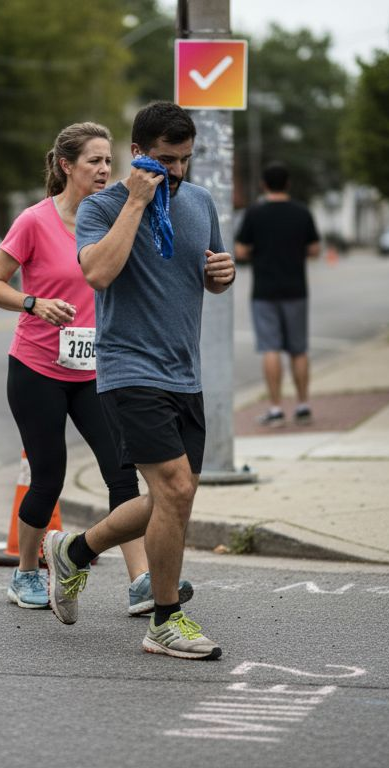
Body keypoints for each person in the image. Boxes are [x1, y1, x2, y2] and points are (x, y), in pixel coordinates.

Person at [40, 101, 235, 660]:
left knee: (174, 495)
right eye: (165, 160)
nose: (176, 172)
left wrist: (222, 274)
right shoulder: (102, 208)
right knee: (174, 490)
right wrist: (137, 200)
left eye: (185, 160)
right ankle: (166, 619)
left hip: (184, 370)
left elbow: (208, 275)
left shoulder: (199, 202)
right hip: (129, 368)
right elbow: (98, 272)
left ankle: (75, 551)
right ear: (137, 153)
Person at [0, 122, 193, 616]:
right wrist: (33, 303)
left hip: (100, 369)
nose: (103, 169)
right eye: (93, 161)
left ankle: (141, 581)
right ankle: (27, 571)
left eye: (107, 160)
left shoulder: (116, 217)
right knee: (48, 476)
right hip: (38, 368)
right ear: (65, 166)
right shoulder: (34, 221)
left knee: (123, 475)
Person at [234, 162, 320, 427]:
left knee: (270, 348)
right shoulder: (301, 212)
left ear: (263, 185)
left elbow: (240, 251)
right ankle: (303, 405)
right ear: (288, 184)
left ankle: (275, 408)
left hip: (265, 291)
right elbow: (315, 250)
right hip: (296, 289)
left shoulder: (255, 213)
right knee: (299, 349)